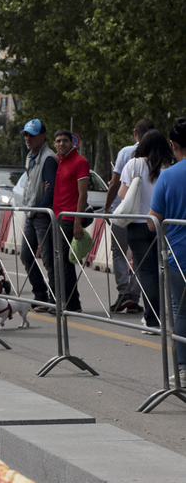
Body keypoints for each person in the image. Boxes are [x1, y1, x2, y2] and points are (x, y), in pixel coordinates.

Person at [119, 129, 174, 333]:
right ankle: (167, 314)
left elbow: (123, 193)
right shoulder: (169, 167)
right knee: (163, 271)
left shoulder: (133, 164)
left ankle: (152, 319)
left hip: (138, 224)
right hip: (163, 224)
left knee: (146, 272)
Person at [147, 117, 186, 384]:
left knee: (181, 311)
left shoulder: (168, 175)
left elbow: (153, 221)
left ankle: (182, 369)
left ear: (173, 145)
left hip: (179, 256)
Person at [104, 118, 155, 313]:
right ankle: (134, 295)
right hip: (147, 216)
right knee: (139, 256)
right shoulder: (158, 156)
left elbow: (115, 184)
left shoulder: (126, 153)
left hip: (123, 212)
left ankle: (124, 291)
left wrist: (107, 207)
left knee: (119, 252)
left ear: (135, 133)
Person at [19, 118, 57, 311]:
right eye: (26, 134)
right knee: (25, 255)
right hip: (31, 213)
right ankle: (40, 293)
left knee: (49, 259)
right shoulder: (30, 156)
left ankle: (54, 298)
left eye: (32, 135)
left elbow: (51, 188)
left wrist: (42, 210)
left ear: (43, 136)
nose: (28, 138)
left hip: (41, 215)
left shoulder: (48, 158)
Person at [52, 129, 89, 313]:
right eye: (58, 141)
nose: (61, 144)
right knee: (59, 262)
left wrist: (77, 221)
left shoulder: (80, 162)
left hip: (69, 218)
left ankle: (72, 304)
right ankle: (65, 301)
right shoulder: (58, 161)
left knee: (66, 264)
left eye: (65, 140)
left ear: (72, 142)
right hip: (56, 218)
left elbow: (83, 194)